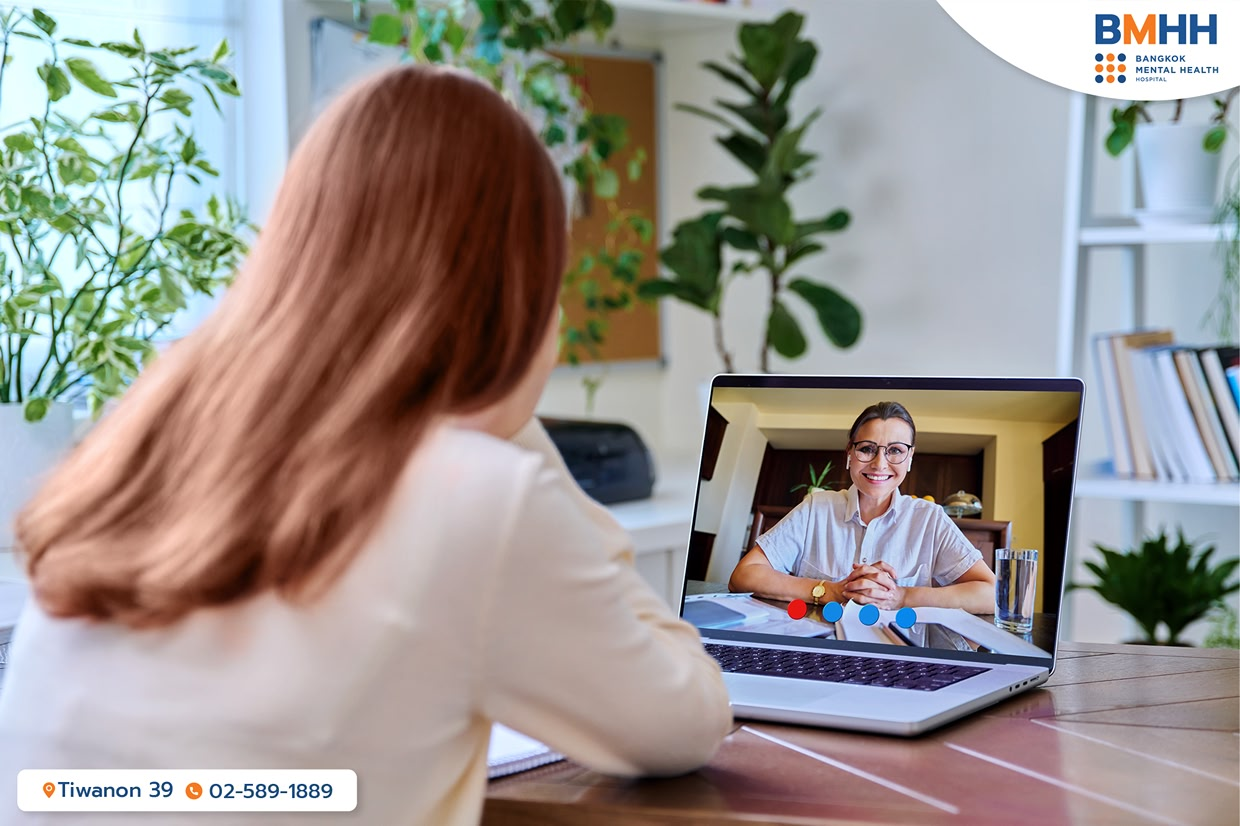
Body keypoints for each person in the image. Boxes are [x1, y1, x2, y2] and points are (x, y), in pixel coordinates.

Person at [0, 66, 731, 825]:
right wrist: (507, 420)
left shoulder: (142, 443)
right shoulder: (477, 494)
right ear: (513, 296)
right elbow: (684, 719)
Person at [729, 401, 996, 614]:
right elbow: (744, 575)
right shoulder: (815, 508)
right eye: (867, 449)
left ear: (910, 458)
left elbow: (991, 594)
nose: (880, 464)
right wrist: (829, 591)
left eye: (895, 450)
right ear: (849, 453)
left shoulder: (930, 519)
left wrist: (901, 595)